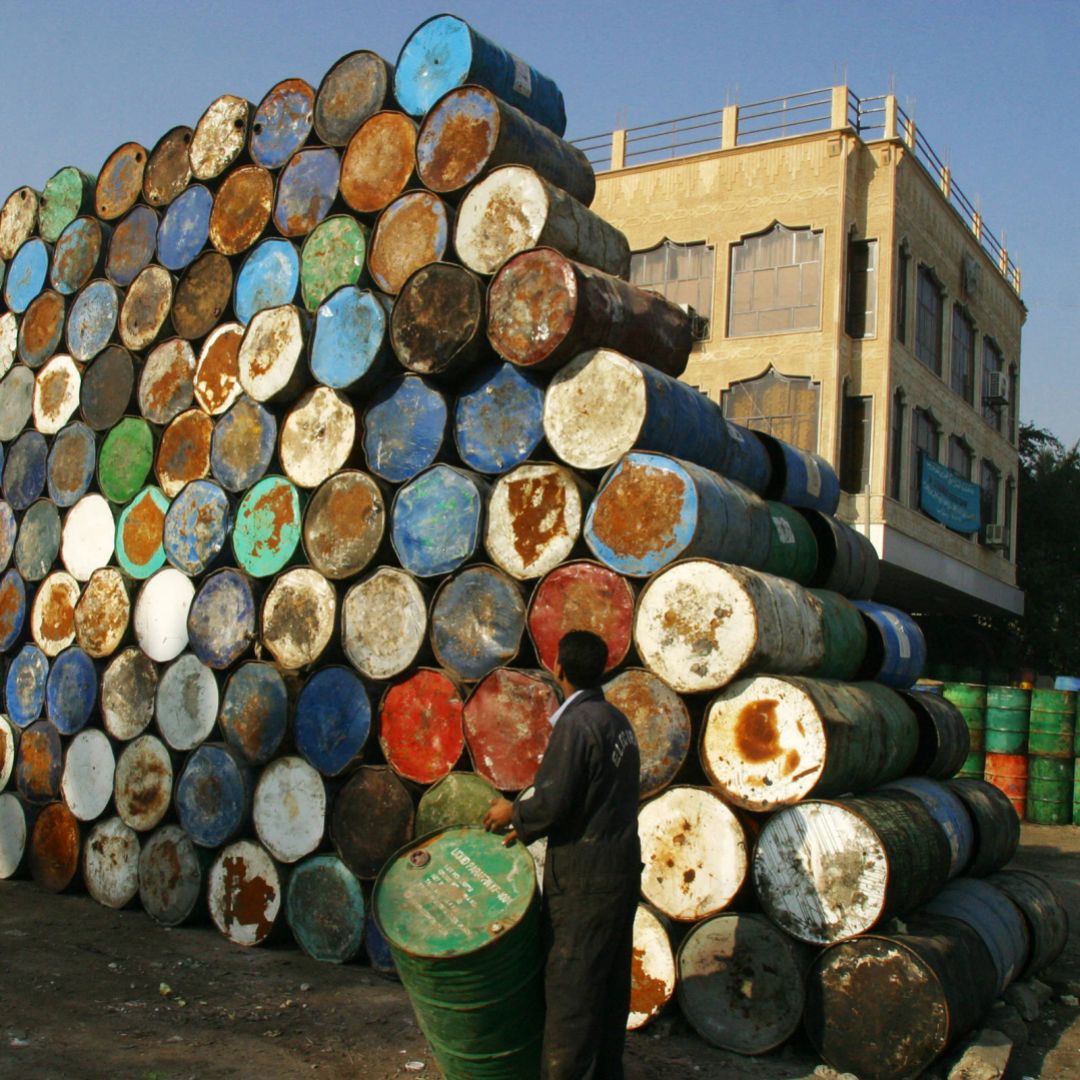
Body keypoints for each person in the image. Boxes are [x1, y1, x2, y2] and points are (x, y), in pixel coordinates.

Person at [483, 629, 641, 1080]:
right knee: (608, 988)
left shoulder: (576, 725)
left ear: (558, 669)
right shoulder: (618, 723)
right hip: (620, 869)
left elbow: (553, 801)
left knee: (573, 990)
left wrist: (513, 812)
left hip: (584, 880)